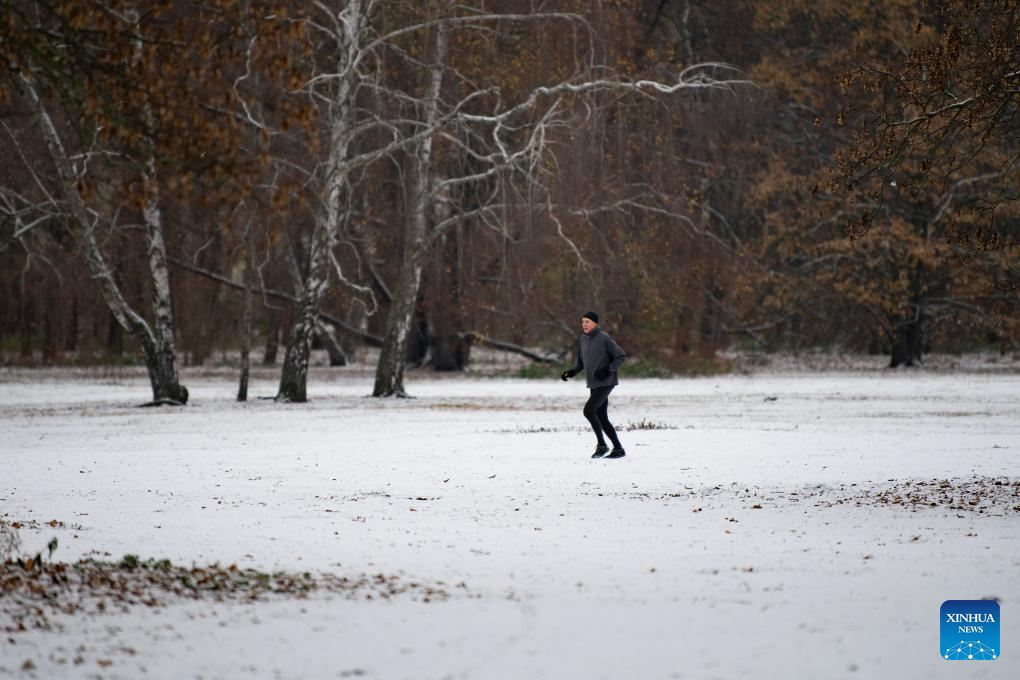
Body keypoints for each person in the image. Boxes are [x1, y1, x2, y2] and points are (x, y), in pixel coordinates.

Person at [560, 311, 627, 458]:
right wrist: (571, 373)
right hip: (593, 384)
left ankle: (602, 445)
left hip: (606, 382)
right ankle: (618, 449)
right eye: (583, 321)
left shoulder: (604, 338)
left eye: (587, 322)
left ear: (595, 323)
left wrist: (608, 370)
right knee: (601, 417)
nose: (584, 324)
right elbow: (581, 363)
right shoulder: (583, 340)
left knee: (589, 411)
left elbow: (621, 356)